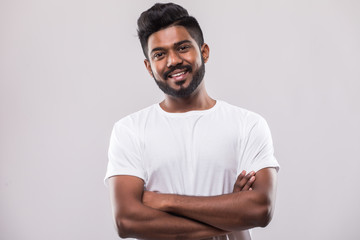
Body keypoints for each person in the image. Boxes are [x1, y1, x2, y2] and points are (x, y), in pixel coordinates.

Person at [105, 3, 280, 240]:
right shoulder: (129, 130)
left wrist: (163, 200)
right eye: (159, 54)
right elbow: (127, 220)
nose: (173, 61)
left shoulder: (247, 125)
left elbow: (260, 210)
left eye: (182, 47)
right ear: (149, 67)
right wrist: (229, 211)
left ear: (204, 51)